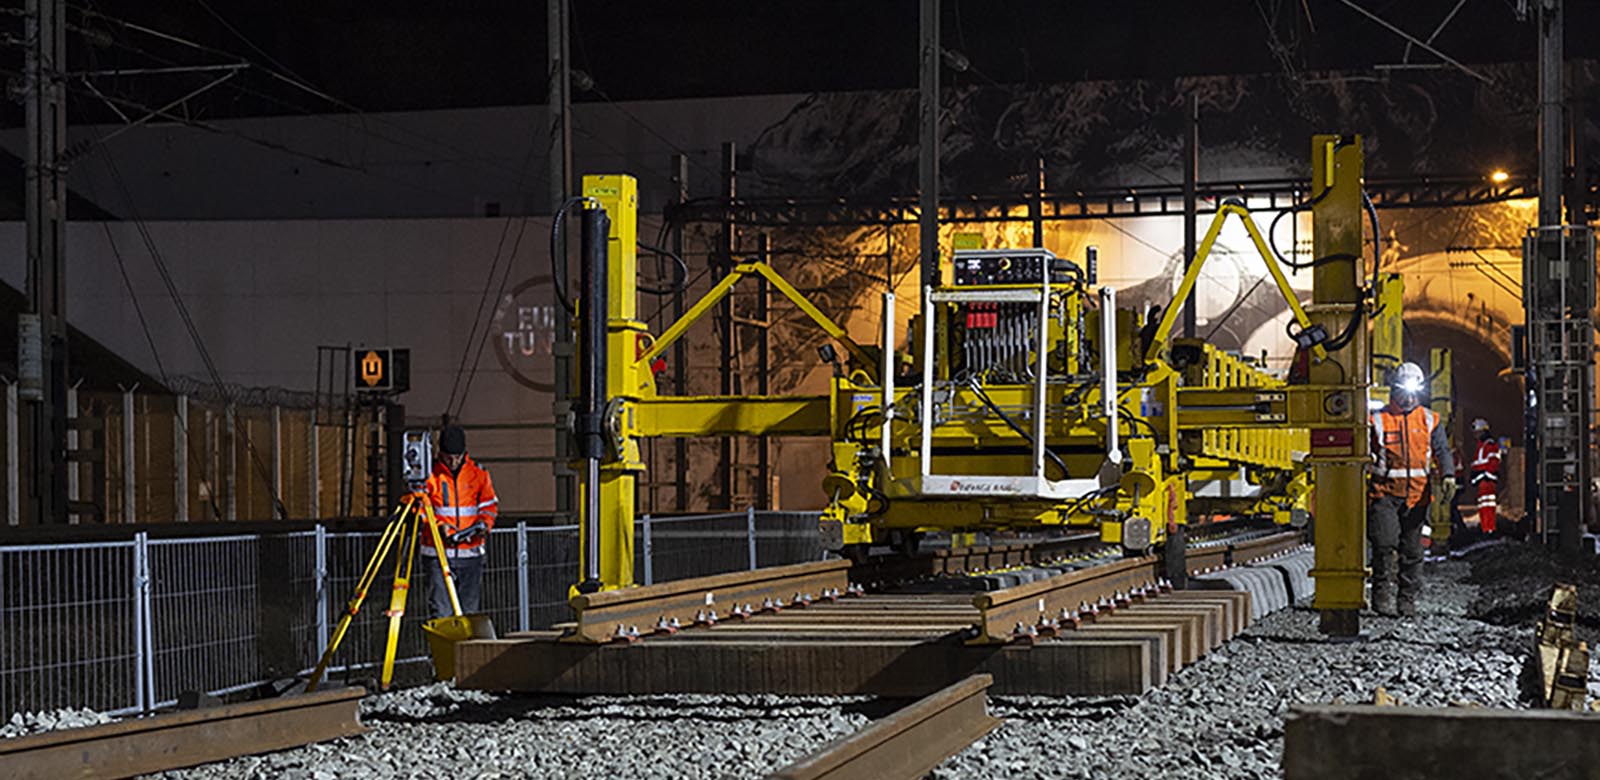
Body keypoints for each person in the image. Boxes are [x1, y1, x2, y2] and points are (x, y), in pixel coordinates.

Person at [1368, 362, 1455, 617]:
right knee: (1384, 545)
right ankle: (1381, 594)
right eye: (1403, 393)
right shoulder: (1377, 420)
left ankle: (1407, 601)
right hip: (1383, 494)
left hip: (1417, 497)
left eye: (1413, 393)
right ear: (1394, 390)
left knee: (1413, 551)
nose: (1408, 398)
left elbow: (1441, 450)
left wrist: (1448, 474)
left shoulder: (1429, 419)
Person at [421, 425, 498, 617]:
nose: (453, 461)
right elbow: (420, 510)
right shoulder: (429, 476)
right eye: (448, 457)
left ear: (464, 453)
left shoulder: (479, 474)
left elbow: (489, 506)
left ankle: (464, 647)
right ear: (440, 453)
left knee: (469, 614)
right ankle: (447, 648)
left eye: (457, 456)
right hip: (438, 554)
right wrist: (440, 527)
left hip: (471, 554)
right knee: (442, 613)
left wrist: (484, 525)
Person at [1468, 418, 1501, 535]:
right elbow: (1478, 463)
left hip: (1487, 481)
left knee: (1487, 506)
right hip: (1483, 480)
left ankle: (1489, 529)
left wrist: (1483, 475)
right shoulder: (1481, 446)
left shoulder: (1489, 445)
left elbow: (1493, 462)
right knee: (1483, 506)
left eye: (1477, 432)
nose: (1475, 435)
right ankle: (1486, 528)